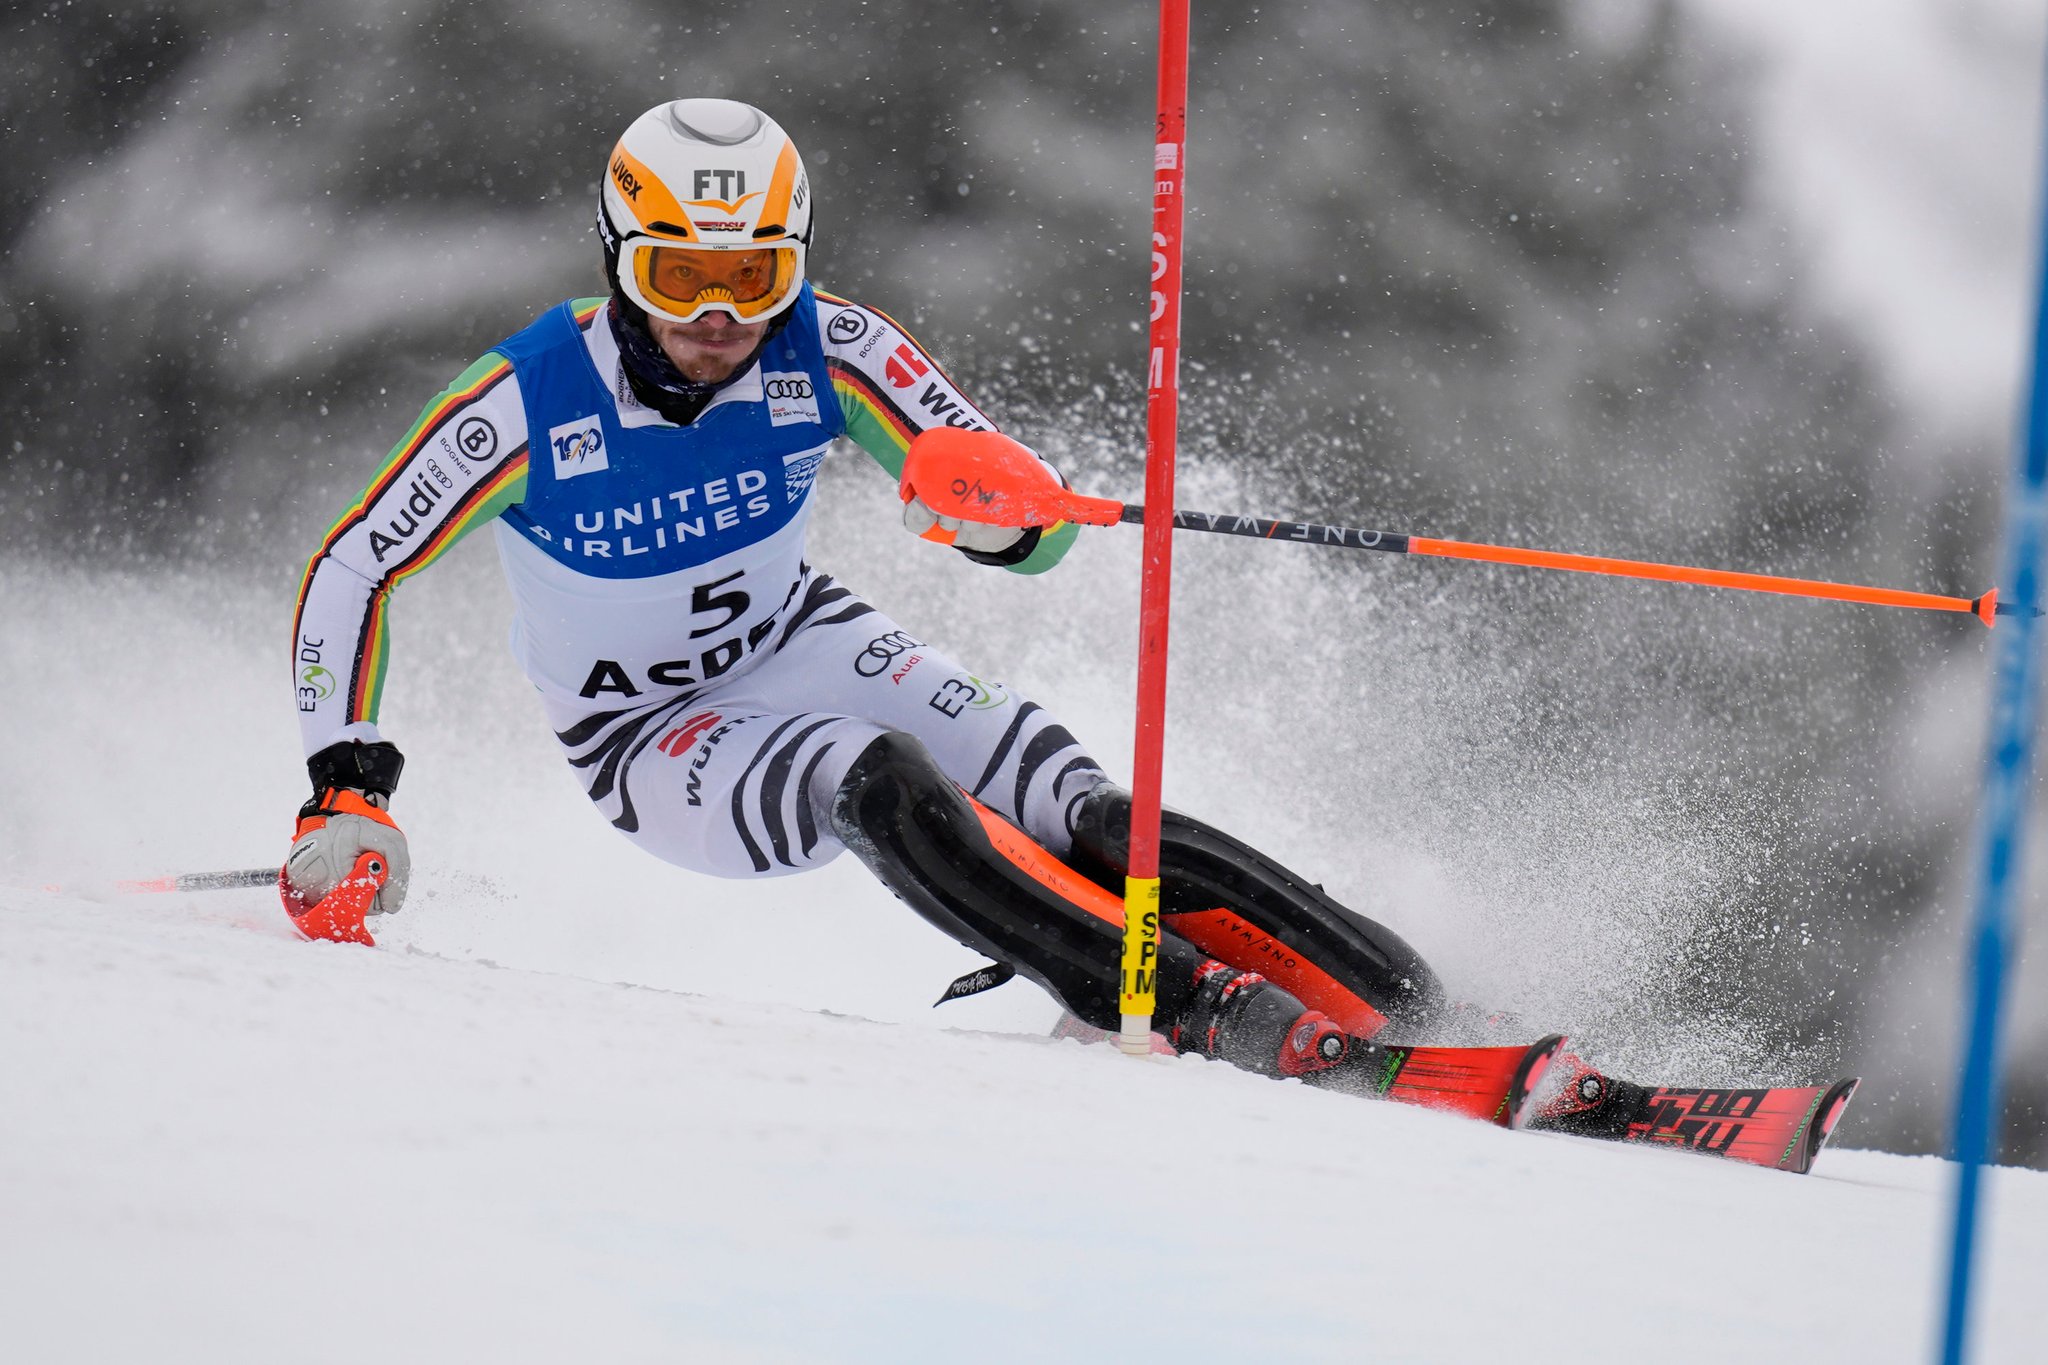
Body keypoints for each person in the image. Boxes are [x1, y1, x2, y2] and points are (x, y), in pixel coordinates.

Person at [279, 98, 1629, 1121]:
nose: (718, 317)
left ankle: (1437, 1014)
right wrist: (347, 789)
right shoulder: (526, 401)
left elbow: (1022, 524)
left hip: (801, 631)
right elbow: (357, 566)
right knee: (879, 776)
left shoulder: (833, 345)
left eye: (753, 278)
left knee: (1089, 813)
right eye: (681, 277)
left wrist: (1006, 519)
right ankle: (1166, 1005)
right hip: (653, 735)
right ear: (619, 257)